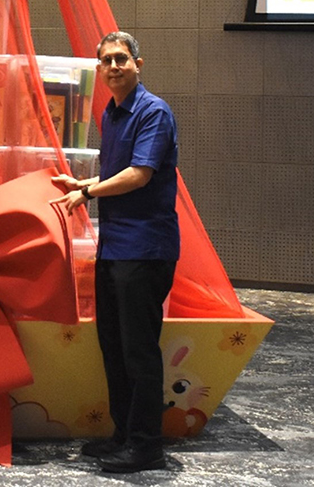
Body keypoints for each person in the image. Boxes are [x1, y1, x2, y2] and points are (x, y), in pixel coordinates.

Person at [54, 30, 180, 473]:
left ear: (138, 65)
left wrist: (87, 190)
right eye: (106, 60)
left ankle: (148, 447)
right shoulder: (111, 113)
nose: (113, 67)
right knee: (113, 345)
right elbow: (115, 174)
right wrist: (82, 183)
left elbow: (139, 175)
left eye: (121, 59)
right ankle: (123, 435)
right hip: (115, 247)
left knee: (139, 351)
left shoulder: (153, 112)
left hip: (145, 249)